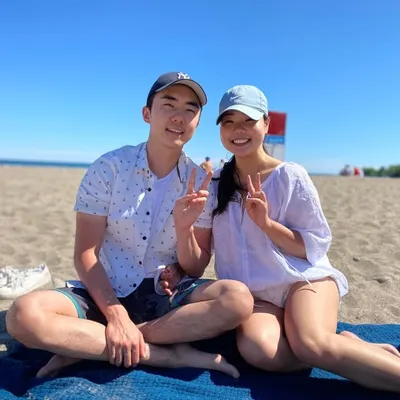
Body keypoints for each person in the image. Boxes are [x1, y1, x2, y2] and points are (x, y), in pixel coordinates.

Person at [5, 72, 254, 379]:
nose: (179, 116)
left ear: (198, 122)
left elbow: (195, 267)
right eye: (169, 104)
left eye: (190, 109)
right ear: (147, 113)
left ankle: (93, 344)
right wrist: (115, 313)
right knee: (23, 315)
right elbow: (85, 254)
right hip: (105, 290)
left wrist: (184, 228)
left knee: (237, 299)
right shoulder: (109, 168)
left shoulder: (201, 182)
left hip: (166, 297)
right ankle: (166, 356)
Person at [161, 84, 400, 393]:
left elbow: (313, 247)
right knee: (260, 351)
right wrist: (183, 230)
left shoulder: (289, 176)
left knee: (311, 344)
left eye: (248, 121)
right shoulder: (215, 183)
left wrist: (267, 224)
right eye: (229, 122)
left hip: (303, 280)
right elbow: (196, 265)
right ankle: (349, 347)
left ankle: (331, 347)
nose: (238, 130)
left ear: (266, 124)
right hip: (256, 296)